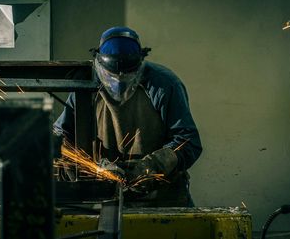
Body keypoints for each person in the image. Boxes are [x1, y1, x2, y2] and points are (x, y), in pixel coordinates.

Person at [54, 26, 202, 207]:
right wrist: (75, 165)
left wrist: (152, 166)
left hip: (162, 200)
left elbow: (188, 141)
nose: (118, 83)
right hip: (107, 200)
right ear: (99, 63)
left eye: (127, 77)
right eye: (111, 77)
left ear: (140, 64)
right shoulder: (87, 87)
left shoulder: (163, 84)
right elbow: (62, 136)